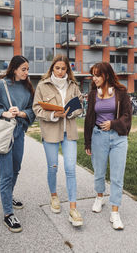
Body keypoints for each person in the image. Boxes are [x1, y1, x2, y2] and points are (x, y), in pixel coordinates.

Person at [0, 55, 35, 233]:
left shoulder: (27, 88)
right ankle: (8, 214)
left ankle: (8, 196)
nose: (26, 72)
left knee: (16, 168)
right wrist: (5, 113)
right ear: (14, 69)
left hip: (19, 134)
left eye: (27, 69)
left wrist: (21, 113)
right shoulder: (0, 85)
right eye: (23, 69)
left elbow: (32, 110)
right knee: (6, 173)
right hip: (3, 134)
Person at [33, 55, 83, 227]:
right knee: (53, 167)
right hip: (51, 133)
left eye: (64, 69)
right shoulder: (42, 85)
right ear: (52, 68)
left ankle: (73, 209)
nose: (61, 72)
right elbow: (36, 109)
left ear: (68, 69)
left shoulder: (73, 85)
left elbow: (80, 107)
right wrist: (53, 115)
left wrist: (70, 113)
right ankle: (54, 196)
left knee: (70, 169)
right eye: (58, 68)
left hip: (69, 133)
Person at [84, 62, 132, 230]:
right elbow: (89, 118)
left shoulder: (121, 92)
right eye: (93, 75)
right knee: (99, 172)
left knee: (117, 176)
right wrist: (87, 141)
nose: (94, 78)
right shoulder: (93, 94)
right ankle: (99, 197)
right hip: (98, 137)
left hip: (118, 138)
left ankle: (115, 212)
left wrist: (113, 123)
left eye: (97, 75)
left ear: (106, 75)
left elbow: (127, 116)